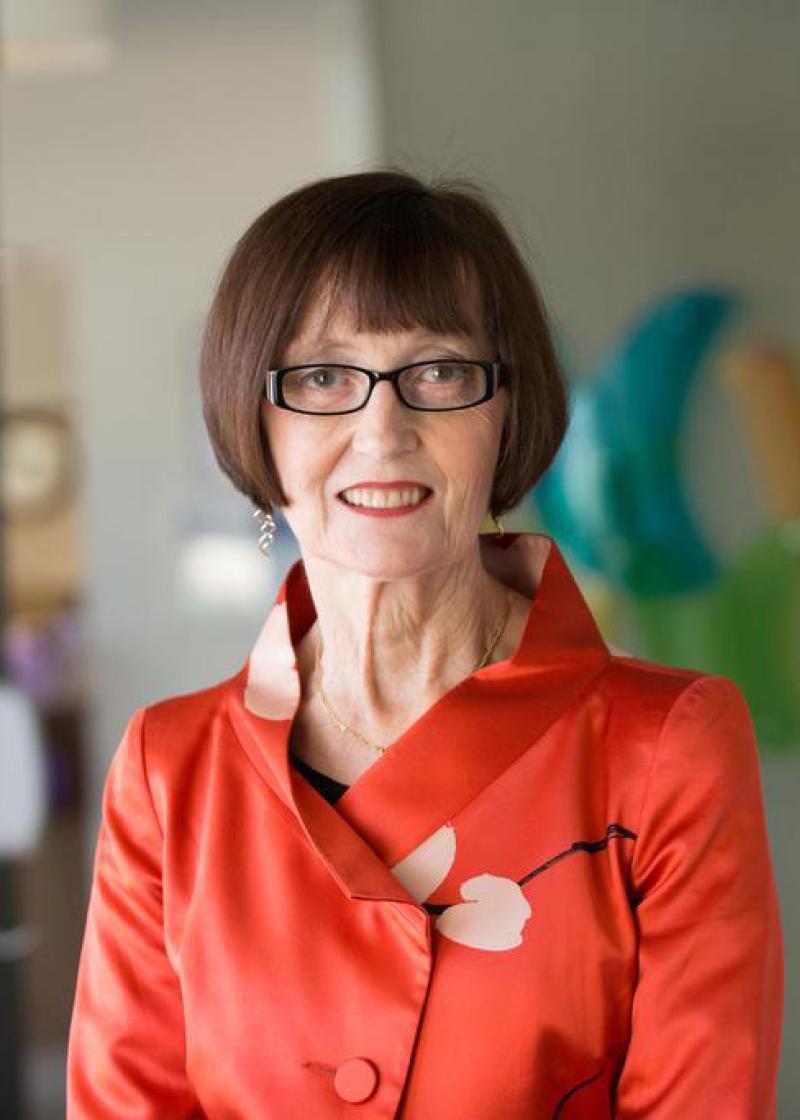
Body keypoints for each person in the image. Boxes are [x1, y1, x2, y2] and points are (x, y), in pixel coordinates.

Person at [66, 169, 784, 1119]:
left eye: (439, 371)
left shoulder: (666, 748)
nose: (382, 429)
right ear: (255, 420)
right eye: (322, 376)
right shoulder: (169, 770)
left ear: (505, 415)